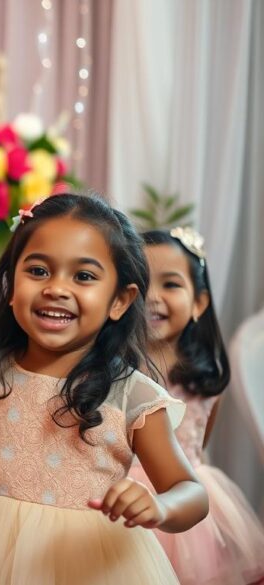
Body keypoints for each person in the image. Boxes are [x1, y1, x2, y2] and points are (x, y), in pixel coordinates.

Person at [0, 194, 208, 584]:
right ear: (11, 285)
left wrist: (161, 507)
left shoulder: (133, 397)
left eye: (84, 276)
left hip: (92, 566)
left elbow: (190, 491)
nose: (57, 288)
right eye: (39, 271)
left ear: (120, 300)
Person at [129, 227, 264, 584]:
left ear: (199, 302)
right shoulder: (116, 372)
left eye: (170, 285)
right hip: (124, 497)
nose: (153, 297)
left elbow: (197, 445)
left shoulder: (207, 380)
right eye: (141, 285)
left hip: (188, 504)